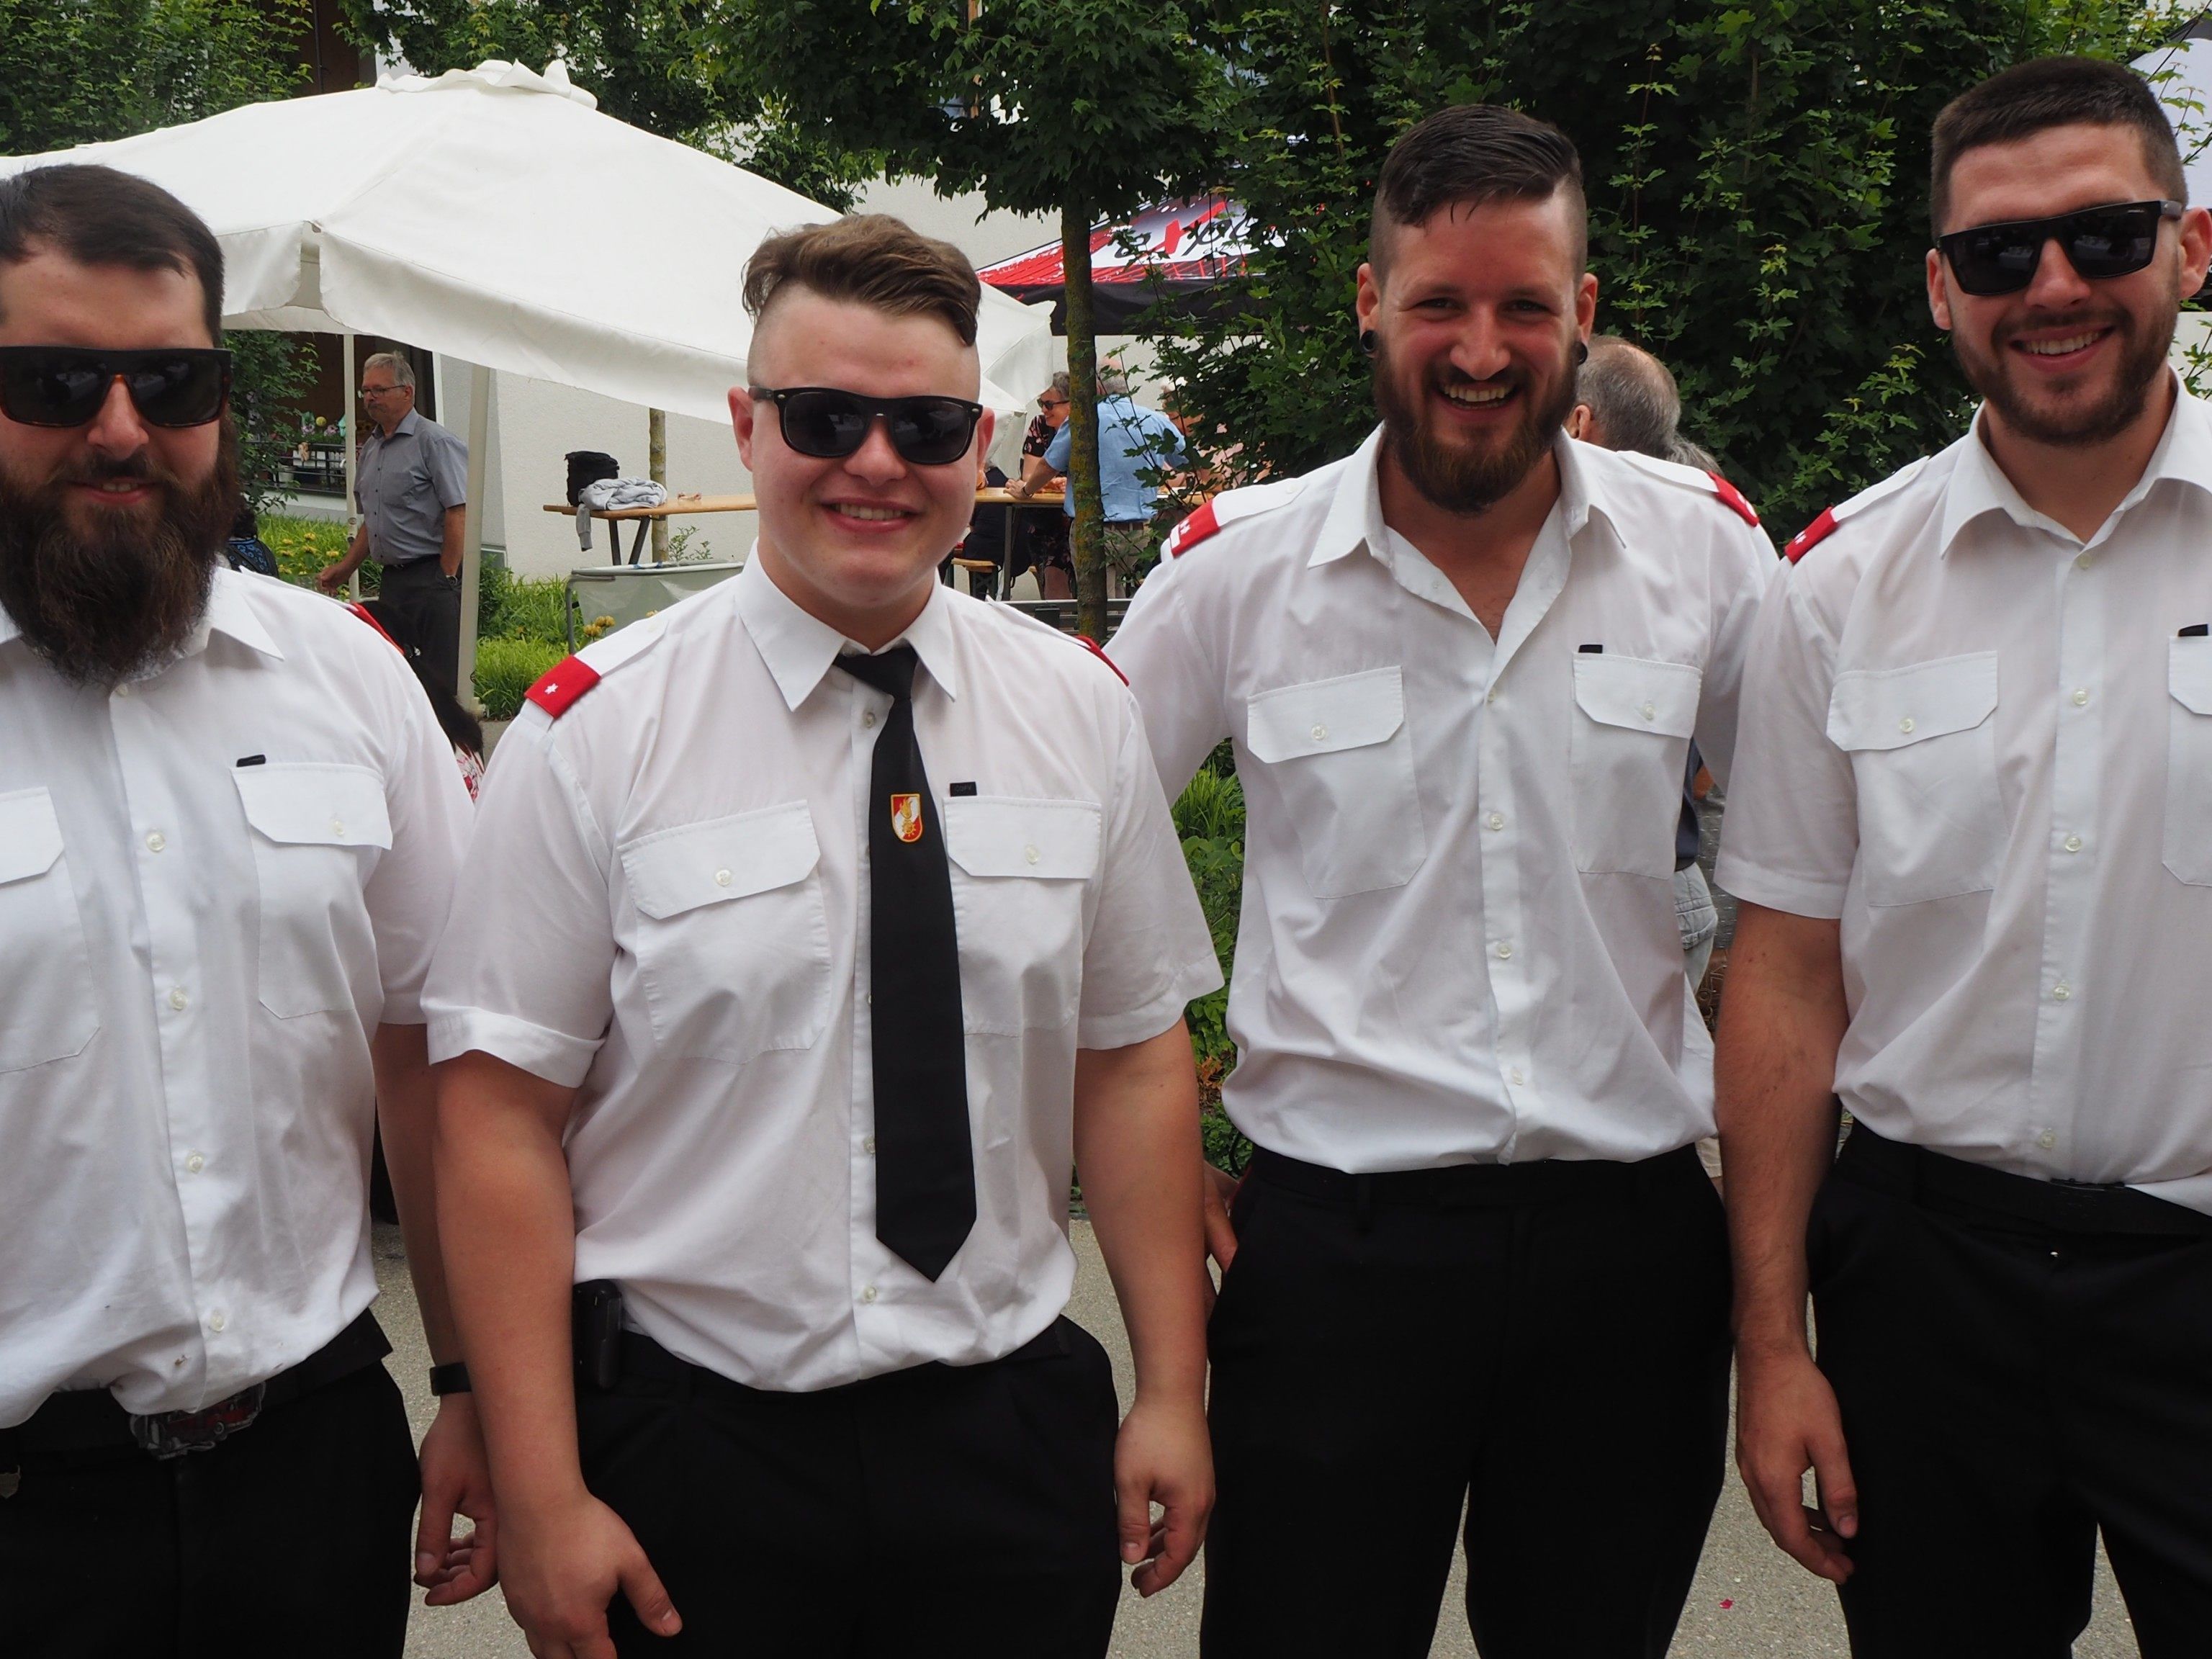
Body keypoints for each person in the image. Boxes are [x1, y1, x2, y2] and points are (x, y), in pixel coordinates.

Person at [423, 213, 1223, 1659]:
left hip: (1005, 1439)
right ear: (747, 426)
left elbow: (1132, 1059)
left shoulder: (1080, 712)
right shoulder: (597, 734)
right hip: (694, 1451)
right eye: (824, 417)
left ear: (980, 446)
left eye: (924, 425)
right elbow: (496, 1118)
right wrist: (542, 1491)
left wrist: (1173, 1386)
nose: (875, 461)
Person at [1110, 105, 1771, 1658]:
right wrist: (1158, 1165)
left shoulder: (1706, 556)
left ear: (1582, 313)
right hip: (1337, 1257)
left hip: (1627, 1253)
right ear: (1370, 301)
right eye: (1438, 304)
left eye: (1523, 305)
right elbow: (1065, 876)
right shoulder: (1235, 571)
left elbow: (1814, 882)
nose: (1481, 349)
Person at [1718, 55, 2212, 1658]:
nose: (2051, 286)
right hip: (1924, 1288)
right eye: (1998, 252)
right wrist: (1772, 1341)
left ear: (2190, 246)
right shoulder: (1836, 590)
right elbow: (1785, 975)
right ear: (1942, 288)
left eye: (2103, 235)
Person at [0, 163, 489, 1658]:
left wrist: (474, 1384)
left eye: (173, 380)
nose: (121, 427)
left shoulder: (349, 679)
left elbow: (437, 1058)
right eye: (56, 380)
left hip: (313, 1467)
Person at [316, 351, 469, 702]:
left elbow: (458, 510)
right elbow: (374, 520)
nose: (370, 398)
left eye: (379, 390)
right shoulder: (372, 449)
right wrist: (345, 568)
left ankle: (448, 739)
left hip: (432, 577)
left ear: (407, 392)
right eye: (366, 391)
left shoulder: (435, 442)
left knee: (439, 684)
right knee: (398, 681)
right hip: (394, 583)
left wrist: (446, 576)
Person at [1012, 369, 1187, 590]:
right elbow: (1190, 463)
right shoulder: (1153, 420)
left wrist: (1025, 491)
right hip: (1139, 532)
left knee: (1099, 599)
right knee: (1119, 594)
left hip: (1095, 530)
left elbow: (1048, 466)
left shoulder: (1084, 419)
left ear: (1096, 389)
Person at [1015, 372, 1074, 597]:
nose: (1044, 410)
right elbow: (1029, 475)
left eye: (1049, 405)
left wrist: (1051, 480)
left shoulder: (1086, 429)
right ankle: (1058, 615)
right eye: (1041, 403)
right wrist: (1051, 482)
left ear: (1071, 404)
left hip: (1079, 517)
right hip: (1046, 519)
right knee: (1052, 568)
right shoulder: (1040, 425)